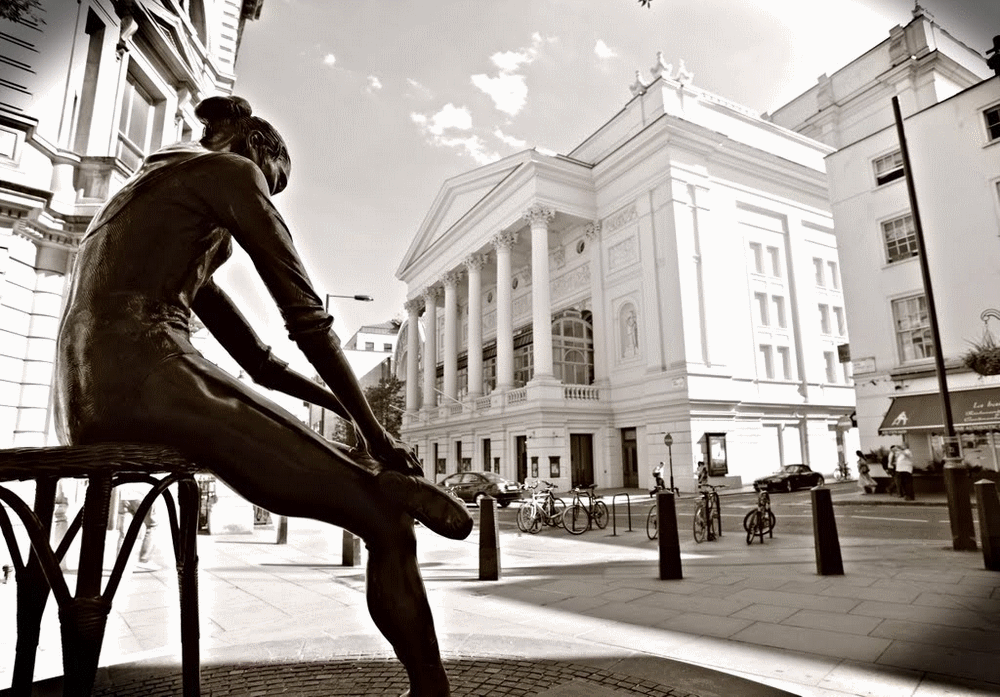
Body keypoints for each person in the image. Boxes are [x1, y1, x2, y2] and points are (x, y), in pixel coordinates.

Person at [53, 95, 471, 697]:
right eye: (272, 186)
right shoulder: (231, 173)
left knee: (325, 463)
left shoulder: (153, 206)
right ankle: (431, 689)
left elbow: (259, 363)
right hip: (152, 372)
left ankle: (373, 477)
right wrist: (377, 436)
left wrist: (343, 413)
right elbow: (306, 320)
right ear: (258, 152)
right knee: (385, 524)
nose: (265, 199)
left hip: (88, 399)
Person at [116, 481, 159, 570]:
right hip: (141, 495)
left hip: (124, 495)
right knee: (151, 526)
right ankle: (144, 560)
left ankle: (121, 563)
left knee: (124, 532)